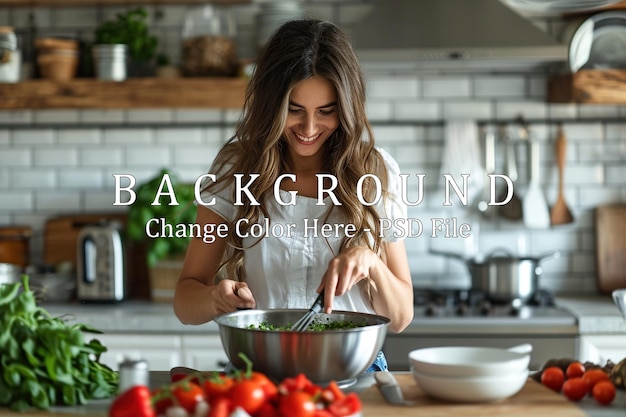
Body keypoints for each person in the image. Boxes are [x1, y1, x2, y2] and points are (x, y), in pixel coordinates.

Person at [173, 19, 414, 371]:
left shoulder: (374, 171)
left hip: (355, 370)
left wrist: (371, 263)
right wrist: (213, 298)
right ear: (271, 104)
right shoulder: (235, 168)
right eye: (294, 110)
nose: (310, 128)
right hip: (261, 371)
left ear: (345, 107)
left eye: (326, 111)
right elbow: (184, 301)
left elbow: (401, 316)